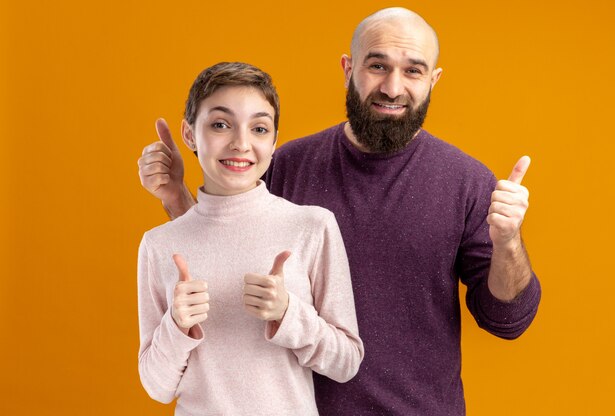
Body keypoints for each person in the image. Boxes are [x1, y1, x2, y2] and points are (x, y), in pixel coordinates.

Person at [138, 8, 541, 416]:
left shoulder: (467, 182)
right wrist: (177, 199)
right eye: (377, 65)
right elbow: (222, 249)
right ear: (348, 69)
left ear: (433, 81)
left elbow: (506, 320)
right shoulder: (286, 164)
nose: (392, 86)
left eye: (413, 71)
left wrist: (507, 242)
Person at [137, 62, 364, 416]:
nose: (241, 143)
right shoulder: (159, 244)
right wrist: (176, 327)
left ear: (274, 141)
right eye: (220, 124)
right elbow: (157, 387)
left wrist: (289, 314)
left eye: (259, 128)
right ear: (189, 133)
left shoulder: (312, 226)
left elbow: (346, 362)